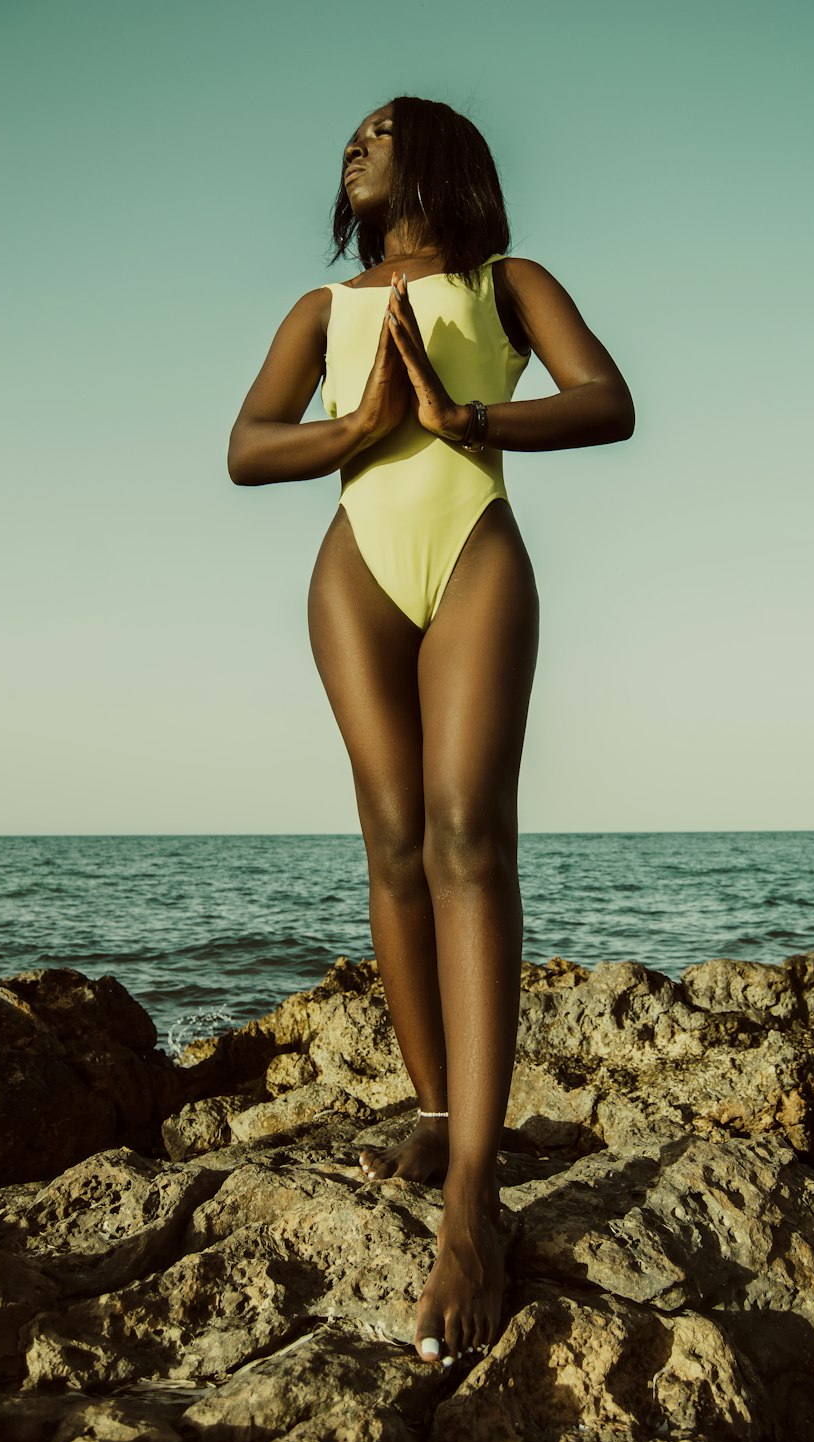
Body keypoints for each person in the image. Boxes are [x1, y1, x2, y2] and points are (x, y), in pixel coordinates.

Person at [228, 95, 634, 1369]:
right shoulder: (321, 309)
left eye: (383, 130)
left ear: (443, 157)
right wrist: (353, 431)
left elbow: (608, 400)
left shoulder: (506, 281)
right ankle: (440, 1106)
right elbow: (245, 449)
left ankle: (471, 1198)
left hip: (471, 546)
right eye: (347, 133)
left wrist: (469, 423)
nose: (354, 143)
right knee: (395, 843)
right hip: (354, 560)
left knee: (469, 837)